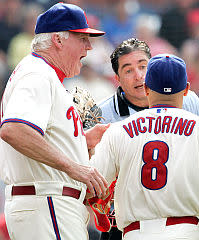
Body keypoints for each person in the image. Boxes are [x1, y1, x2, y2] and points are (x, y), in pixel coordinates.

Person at [90, 53, 199, 240]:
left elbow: (89, 186)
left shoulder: (119, 131)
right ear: (186, 90)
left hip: (135, 232)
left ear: (146, 88)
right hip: (187, 230)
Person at [0, 3, 109, 239]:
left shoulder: (43, 73)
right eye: (82, 38)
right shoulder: (37, 73)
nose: (89, 46)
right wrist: (75, 167)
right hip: (47, 202)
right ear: (58, 40)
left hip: (48, 204)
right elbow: (13, 129)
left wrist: (81, 141)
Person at [98, 38, 199, 240]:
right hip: (125, 218)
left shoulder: (188, 99)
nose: (138, 76)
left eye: (143, 66)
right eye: (128, 70)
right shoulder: (103, 113)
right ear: (117, 78)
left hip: (182, 211)